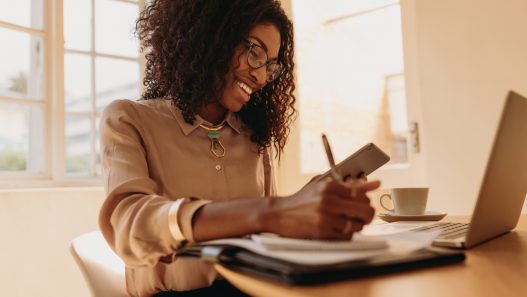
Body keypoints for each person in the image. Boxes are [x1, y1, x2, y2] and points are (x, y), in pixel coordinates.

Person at [98, 0, 380, 296]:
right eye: (255, 52)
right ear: (212, 35)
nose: (260, 77)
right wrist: (275, 211)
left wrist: (306, 208)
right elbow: (130, 226)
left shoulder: (253, 138)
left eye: (270, 66)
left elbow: (264, 236)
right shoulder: (129, 119)